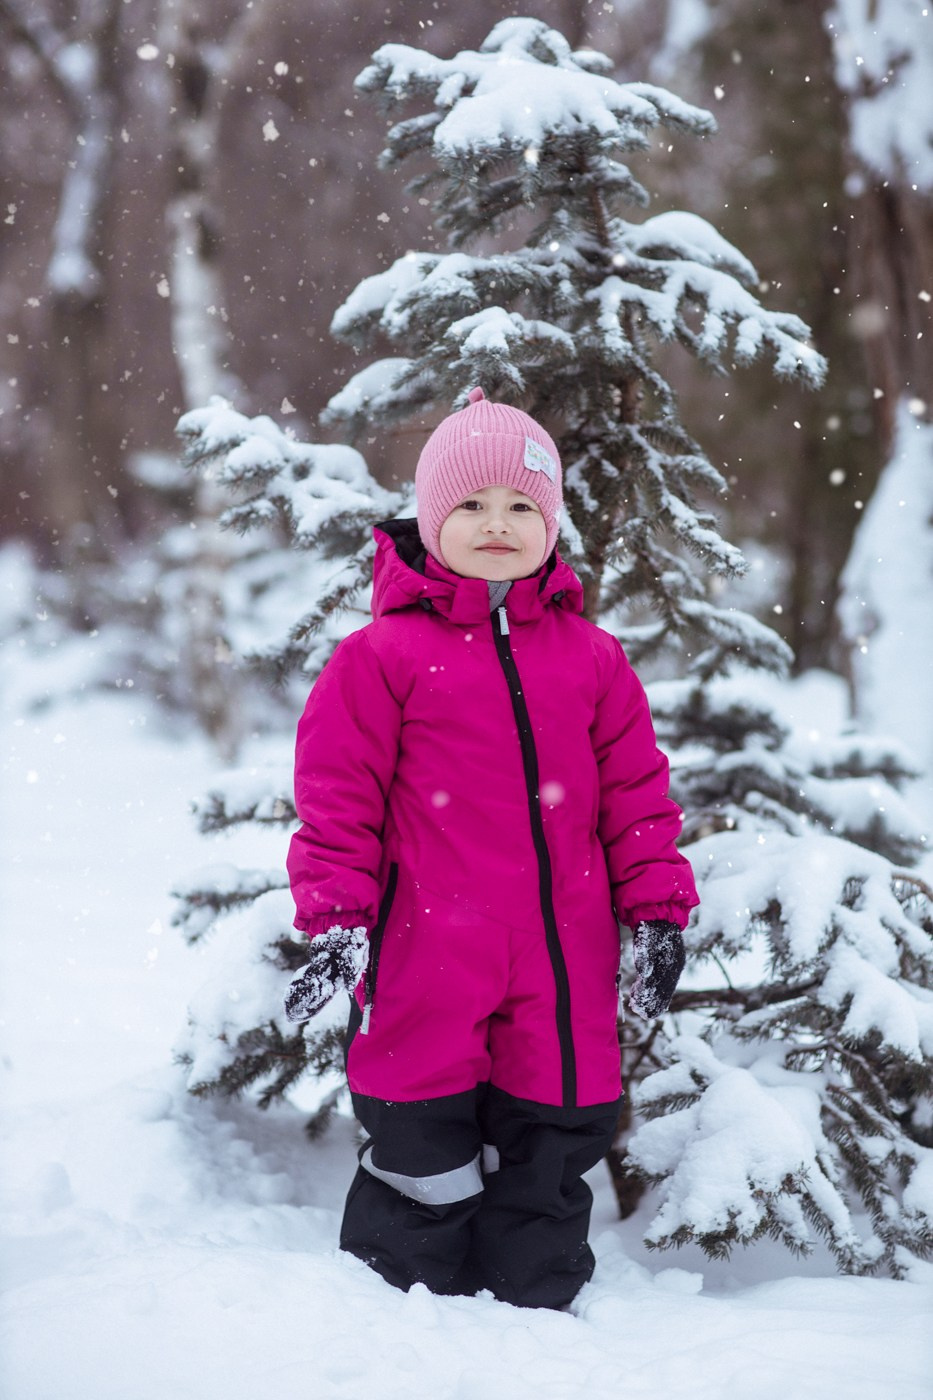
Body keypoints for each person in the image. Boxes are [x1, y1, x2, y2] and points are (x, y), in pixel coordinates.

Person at [284, 387, 699, 1310]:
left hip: (562, 956)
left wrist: (657, 909)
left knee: (554, 1129)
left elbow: (636, 795)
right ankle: (398, 1311)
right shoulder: (381, 657)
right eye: (469, 505)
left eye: (521, 506)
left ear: (549, 523)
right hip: (426, 945)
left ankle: (537, 1306)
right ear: (431, 522)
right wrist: (338, 917)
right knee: (416, 1125)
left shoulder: (591, 658)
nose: (497, 524)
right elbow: (336, 800)